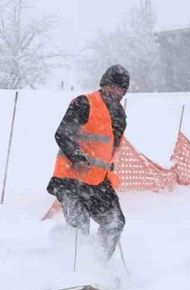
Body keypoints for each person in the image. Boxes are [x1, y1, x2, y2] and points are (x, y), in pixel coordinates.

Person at [46, 65, 129, 262]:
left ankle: (95, 267)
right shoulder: (84, 103)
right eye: (112, 87)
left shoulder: (119, 115)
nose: (115, 92)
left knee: (115, 223)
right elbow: (62, 133)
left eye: (121, 89)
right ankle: (71, 271)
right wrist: (78, 157)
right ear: (103, 85)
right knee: (79, 225)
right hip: (69, 178)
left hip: (97, 180)